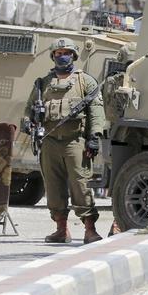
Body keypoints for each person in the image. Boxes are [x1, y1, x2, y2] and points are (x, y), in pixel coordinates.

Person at [25, 38, 106, 244]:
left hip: (75, 142)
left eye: (67, 52)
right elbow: (30, 108)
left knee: (81, 185)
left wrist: (94, 137)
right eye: (59, 53)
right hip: (50, 142)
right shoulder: (42, 83)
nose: (63, 56)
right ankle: (61, 229)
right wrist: (27, 121)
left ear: (74, 55)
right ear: (53, 56)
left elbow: (96, 111)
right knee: (53, 188)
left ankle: (90, 229)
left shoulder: (85, 82)